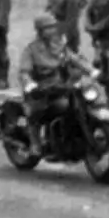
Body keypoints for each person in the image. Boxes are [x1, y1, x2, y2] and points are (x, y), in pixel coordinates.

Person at [17, 12, 90, 144]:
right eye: (48, 28)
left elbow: (75, 59)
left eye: (53, 26)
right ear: (40, 30)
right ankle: (35, 143)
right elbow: (24, 71)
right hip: (41, 90)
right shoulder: (31, 50)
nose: (52, 30)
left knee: (79, 103)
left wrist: (92, 70)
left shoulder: (59, 45)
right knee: (37, 113)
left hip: (61, 86)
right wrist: (29, 84)